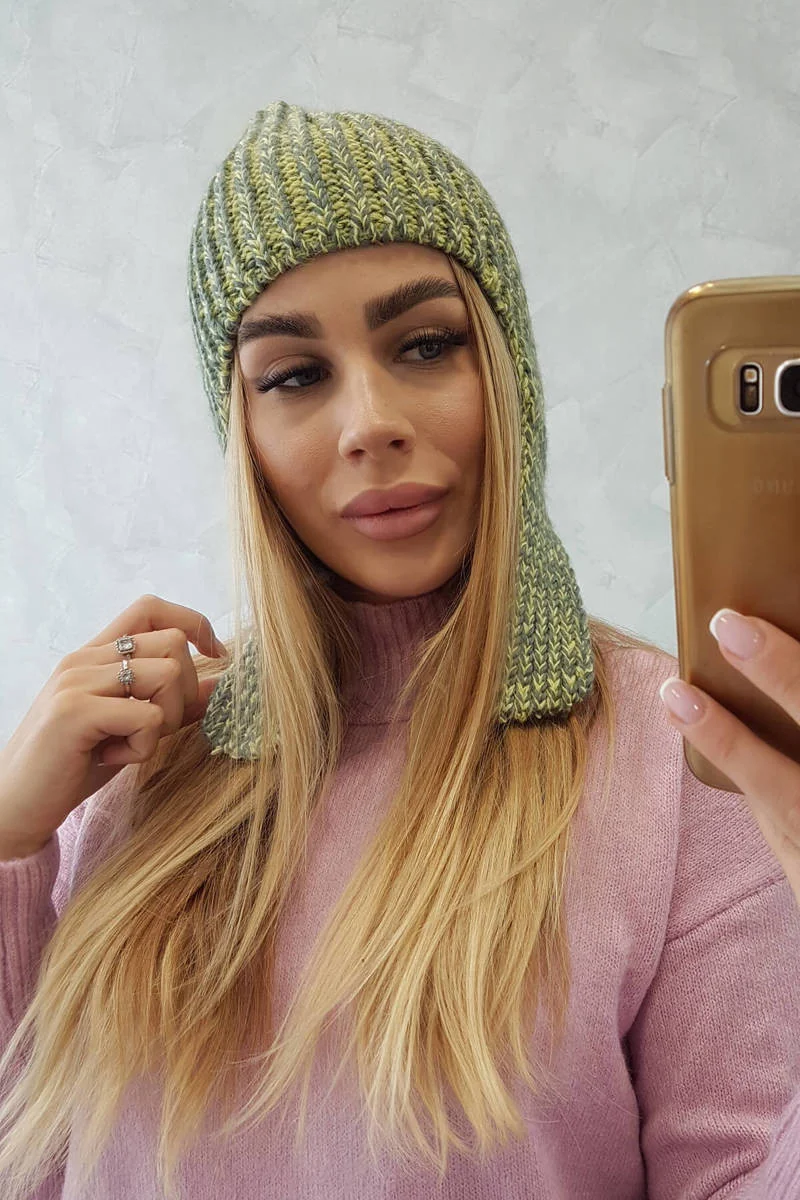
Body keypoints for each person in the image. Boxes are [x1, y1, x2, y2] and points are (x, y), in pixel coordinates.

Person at [0, 100, 797, 1199]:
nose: (367, 421)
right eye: (294, 375)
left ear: (506, 375)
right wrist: (9, 841)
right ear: (241, 431)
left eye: (424, 345)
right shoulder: (143, 766)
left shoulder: (685, 758)